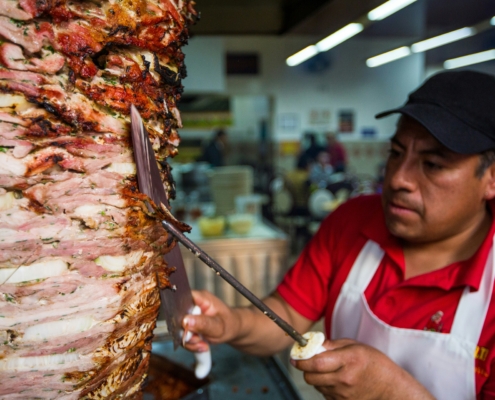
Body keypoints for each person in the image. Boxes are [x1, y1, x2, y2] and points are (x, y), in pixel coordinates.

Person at [182, 70, 495, 399]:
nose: (399, 179)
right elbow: (286, 315)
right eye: (396, 154)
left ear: (490, 178)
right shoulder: (352, 222)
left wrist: (391, 391)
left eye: (433, 164)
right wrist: (230, 323)